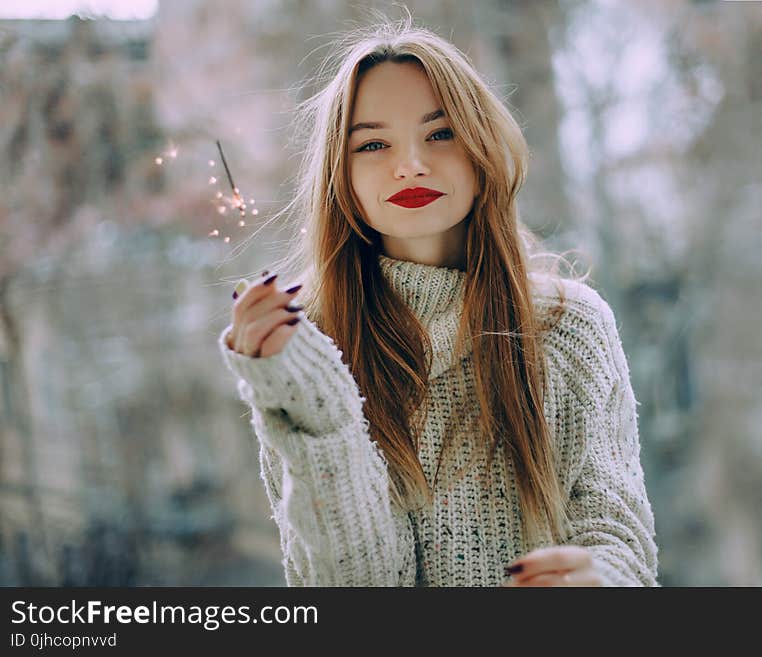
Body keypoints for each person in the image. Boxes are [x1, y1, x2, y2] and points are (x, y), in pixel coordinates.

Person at [218, 15, 659, 587]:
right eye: (373, 144)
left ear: (481, 148)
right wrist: (312, 399)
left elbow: (620, 538)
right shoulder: (306, 347)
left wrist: (595, 582)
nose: (411, 164)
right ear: (340, 177)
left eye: (440, 132)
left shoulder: (570, 327)